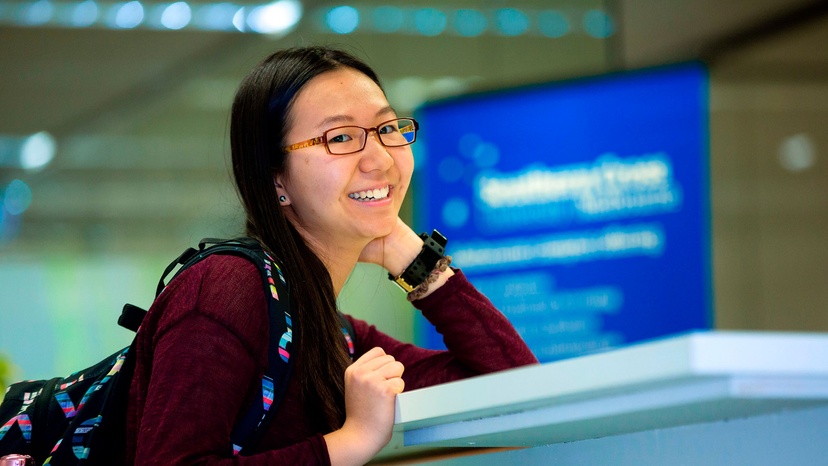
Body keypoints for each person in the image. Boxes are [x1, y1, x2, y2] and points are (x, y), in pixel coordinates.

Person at [125, 45, 538, 465]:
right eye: (340, 137)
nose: (379, 159)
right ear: (275, 180)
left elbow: (520, 402)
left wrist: (408, 253)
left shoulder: (336, 338)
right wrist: (352, 440)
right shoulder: (226, 289)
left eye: (388, 128)